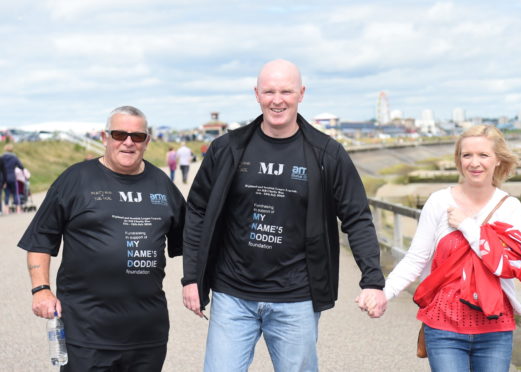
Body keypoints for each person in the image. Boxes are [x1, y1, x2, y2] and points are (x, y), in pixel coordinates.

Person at [181, 59, 387, 372]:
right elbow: (197, 209)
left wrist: (372, 279)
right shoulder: (228, 149)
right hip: (232, 294)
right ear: (257, 94)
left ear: (301, 93)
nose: (278, 100)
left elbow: (357, 216)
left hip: (297, 298)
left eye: (286, 91)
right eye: (269, 91)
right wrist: (192, 277)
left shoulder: (326, 154)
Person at [18, 106, 186, 372]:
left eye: (137, 136)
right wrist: (41, 290)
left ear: (147, 141)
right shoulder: (76, 179)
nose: (128, 142)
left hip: (147, 334)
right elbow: (40, 240)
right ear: (105, 137)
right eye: (119, 134)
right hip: (87, 333)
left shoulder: (162, 184)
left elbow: (191, 241)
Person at [378, 125, 521, 372]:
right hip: (443, 326)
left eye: (483, 155)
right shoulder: (439, 202)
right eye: (467, 155)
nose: (475, 163)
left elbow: (506, 265)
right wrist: (383, 293)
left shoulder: (510, 207)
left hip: (495, 328)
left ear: (498, 160)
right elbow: (416, 258)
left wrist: (467, 225)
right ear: (459, 160)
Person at [2, 144, 24, 212]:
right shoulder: (14, 157)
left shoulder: (2, 157)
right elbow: (21, 166)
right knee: (15, 193)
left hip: (4, 178)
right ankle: (18, 209)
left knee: (7, 194)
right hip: (12, 177)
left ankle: (6, 210)